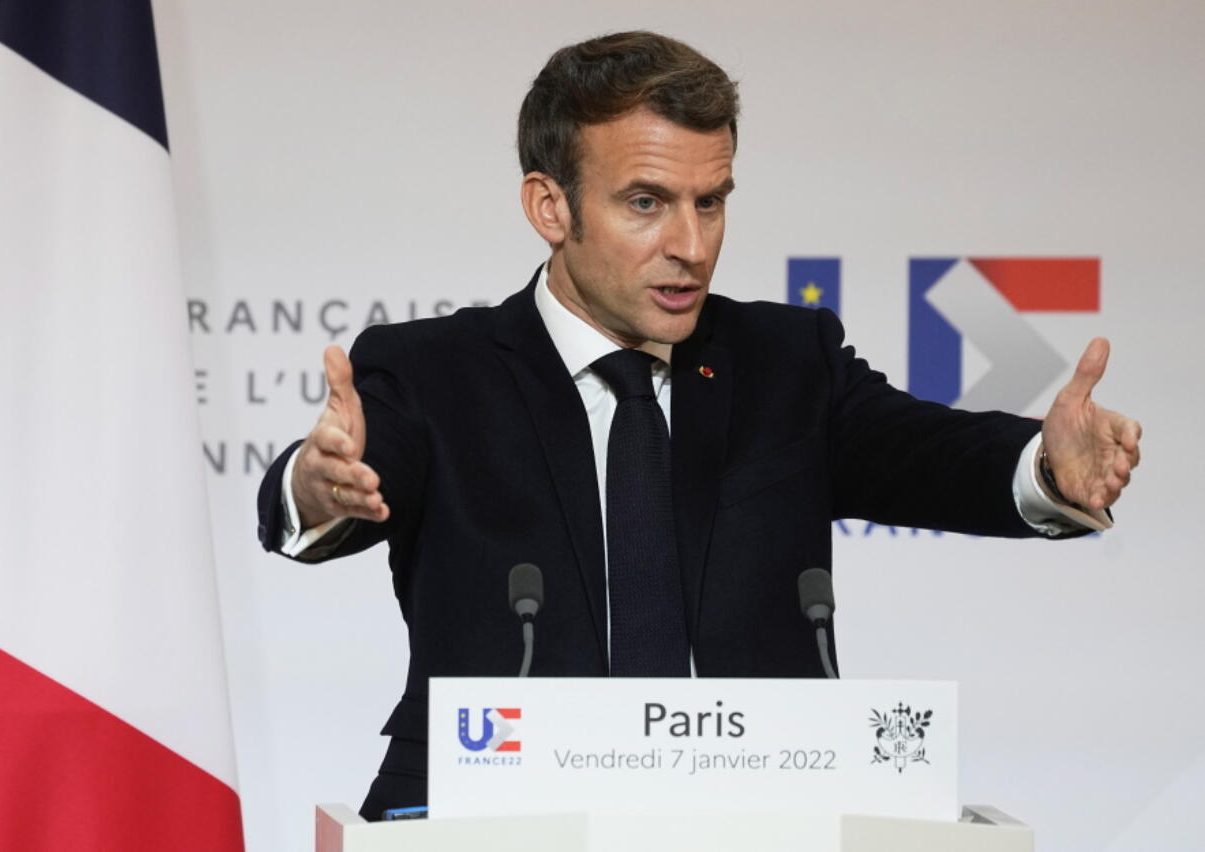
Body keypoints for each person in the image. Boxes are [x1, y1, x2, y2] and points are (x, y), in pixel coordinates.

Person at [256, 31, 1141, 819]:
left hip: (761, 809)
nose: (692, 244)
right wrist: (314, 483)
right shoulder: (436, 370)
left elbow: (926, 453)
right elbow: (358, 476)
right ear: (549, 207)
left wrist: (1047, 468)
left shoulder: (785, 359)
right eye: (646, 202)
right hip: (486, 806)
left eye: (710, 201)